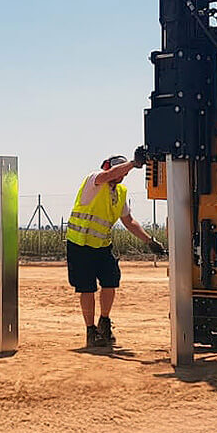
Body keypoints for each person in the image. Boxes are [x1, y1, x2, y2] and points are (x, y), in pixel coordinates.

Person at [67, 148, 165, 348]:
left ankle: (104, 322)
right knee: (87, 288)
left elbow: (129, 222)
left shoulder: (120, 193)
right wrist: (132, 163)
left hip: (102, 246)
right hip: (80, 245)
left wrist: (150, 241)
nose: (122, 175)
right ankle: (90, 330)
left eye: (125, 173)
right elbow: (109, 175)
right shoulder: (94, 180)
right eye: (120, 170)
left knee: (111, 282)